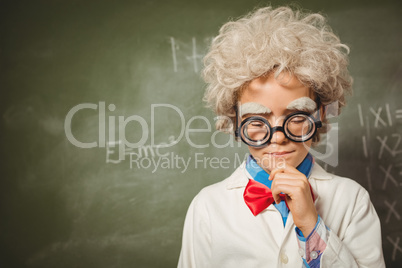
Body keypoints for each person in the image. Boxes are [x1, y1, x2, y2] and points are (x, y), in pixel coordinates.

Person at [178, 6, 385, 268]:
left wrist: (312, 224)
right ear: (236, 121)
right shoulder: (207, 207)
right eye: (257, 120)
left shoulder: (352, 199)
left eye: (297, 117)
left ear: (319, 114)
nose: (277, 138)